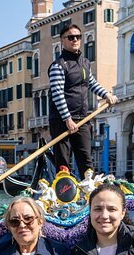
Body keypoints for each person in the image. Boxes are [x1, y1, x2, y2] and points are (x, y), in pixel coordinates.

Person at [49, 24, 117, 178]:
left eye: (78, 37)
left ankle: (90, 192)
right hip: (61, 120)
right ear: (62, 40)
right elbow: (57, 94)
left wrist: (106, 95)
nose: (75, 40)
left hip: (82, 118)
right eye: (71, 37)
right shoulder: (58, 66)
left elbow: (91, 83)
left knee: (86, 160)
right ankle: (64, 196)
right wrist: (67, 119)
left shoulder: (85, 63)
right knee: (63, 162)